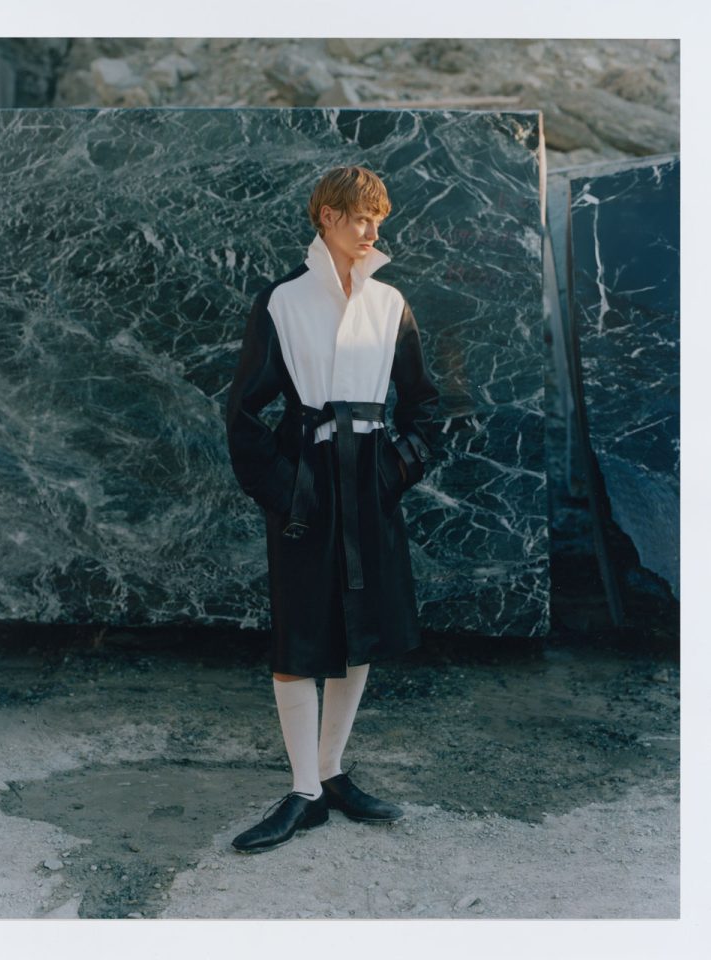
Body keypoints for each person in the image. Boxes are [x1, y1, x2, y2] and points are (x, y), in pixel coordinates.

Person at [225, 165, 439, 853]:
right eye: (359, 217)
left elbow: (424, 402)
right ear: (326, 216)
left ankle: (331, 771)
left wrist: (395, 470)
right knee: (299, 634)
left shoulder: (389, 302)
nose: (371, 230)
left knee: (361, 629)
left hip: (370, 478)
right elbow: (244, 412)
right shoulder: (284, 300)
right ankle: (304, 792)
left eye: (378, 217)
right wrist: (289, 489)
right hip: (308, 483)